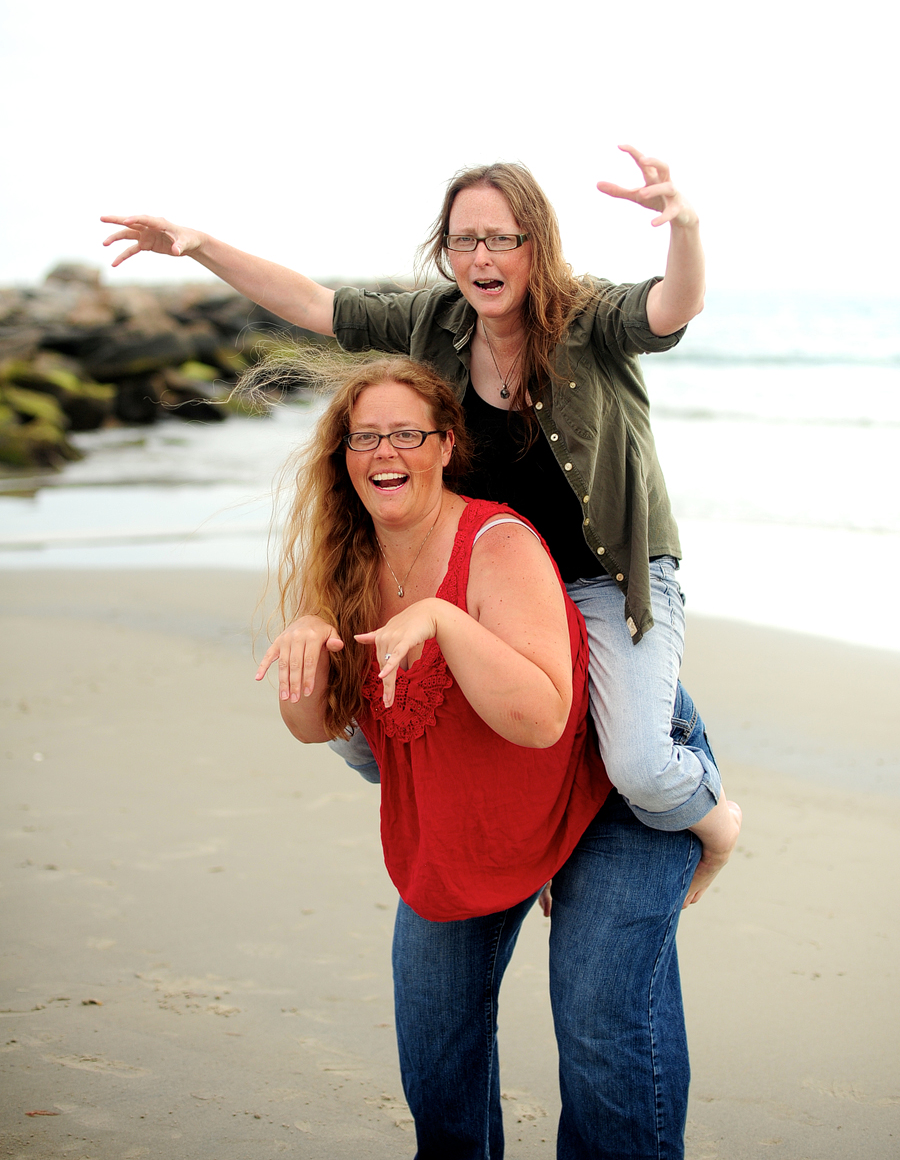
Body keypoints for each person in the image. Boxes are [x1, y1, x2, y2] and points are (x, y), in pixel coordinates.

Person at [101, 145, 737, 881]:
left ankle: (718, 824)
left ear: (537, 244)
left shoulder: (588, 317)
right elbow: (316, 305)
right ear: (446, 249)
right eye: (464, 239)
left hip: (605, 576)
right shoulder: (434, 320)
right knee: (370, 735)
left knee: (640, 766)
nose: (482, 256)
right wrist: (199, 245)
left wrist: (682, 226)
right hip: (488, 586)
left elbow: (672, 307)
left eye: (503, 237)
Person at [253, 349, 736, 1158]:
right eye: (365, 437)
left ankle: (716, 822)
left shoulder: (497, 542)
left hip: (599, 787)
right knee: (435, 1045)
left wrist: (446, 623)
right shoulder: (346, 560)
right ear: (344, 457)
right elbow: (311, 726)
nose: (384, 452)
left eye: (406, 433)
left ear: (447, 445)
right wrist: (305, 639)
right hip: (472, 807)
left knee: (598, 1029)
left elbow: (544, 718)